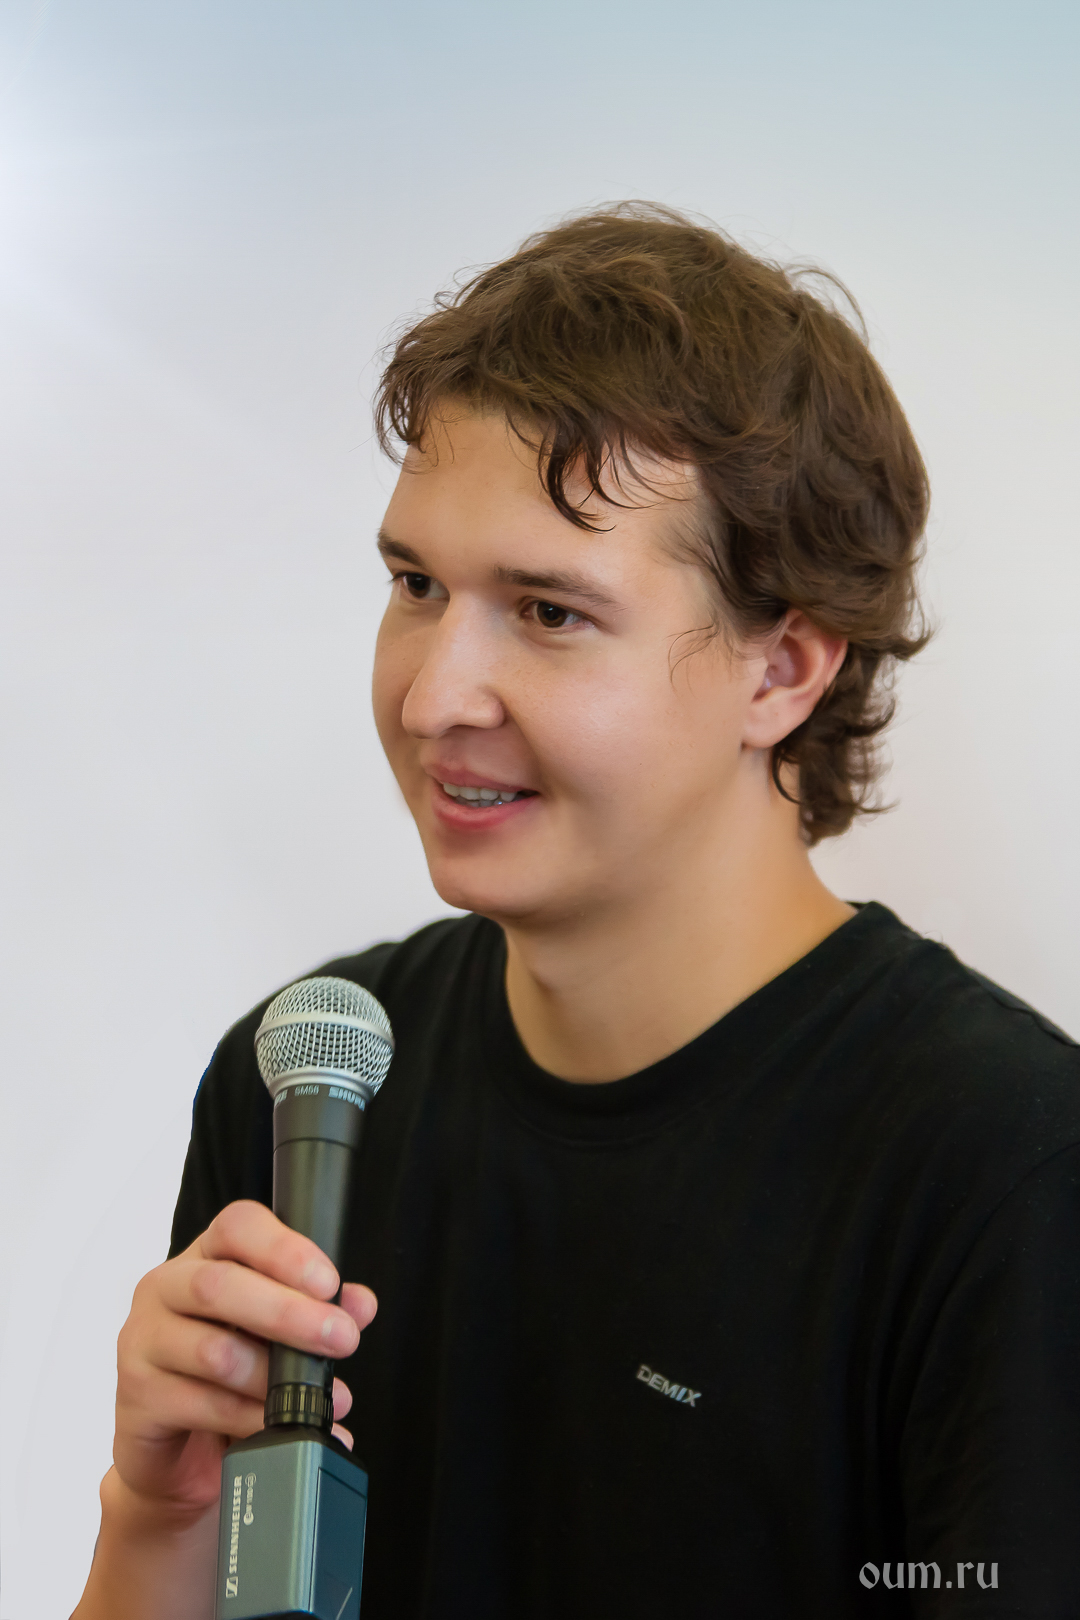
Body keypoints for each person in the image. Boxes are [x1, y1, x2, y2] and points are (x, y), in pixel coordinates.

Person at [75, 204, 1080, 1620]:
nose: (433, 697)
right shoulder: (308, 1086)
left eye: (549, 611)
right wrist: (158, 1519)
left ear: (783, 669)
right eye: (416, 585)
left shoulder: (1005, 1174)